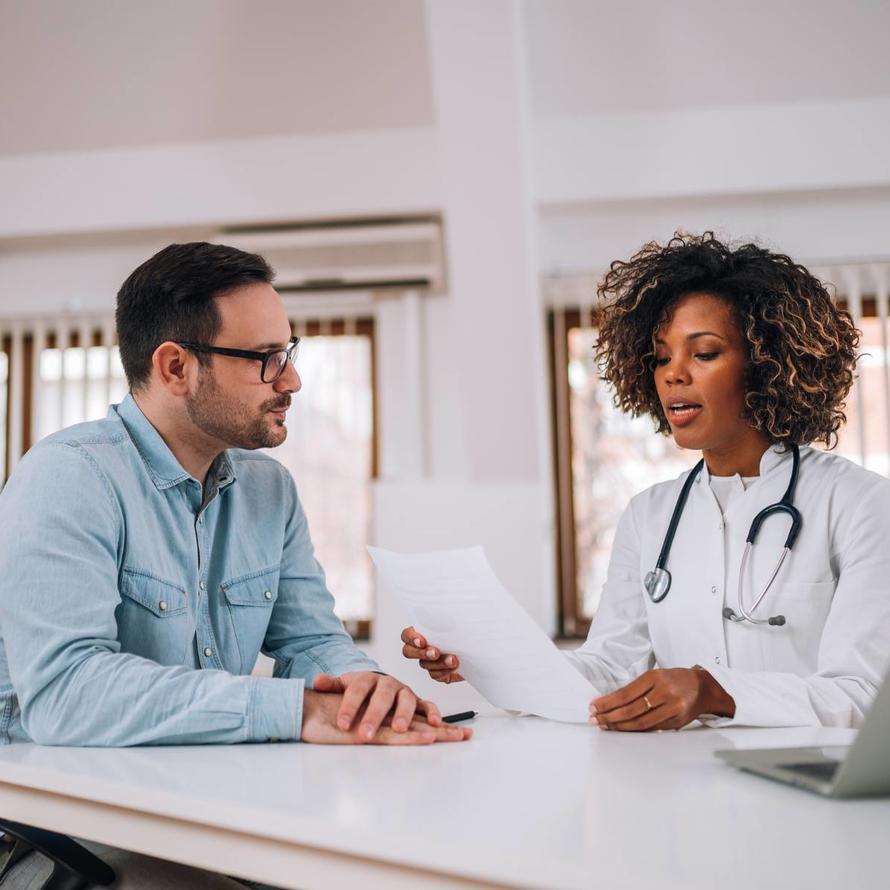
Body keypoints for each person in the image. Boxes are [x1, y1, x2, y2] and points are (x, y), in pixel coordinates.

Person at [0, 243, 468, 885]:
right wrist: (297, 710)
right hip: (71, 836)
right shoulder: (68, 478)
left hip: (210, 807)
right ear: (175, 367)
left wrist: (365, 692)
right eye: (265, 360)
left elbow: (311, 641)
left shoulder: (268, 490)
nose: (292, 381)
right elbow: (66, 695)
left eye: (290, 353)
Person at [401, 231, 890, 731]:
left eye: (703, 353)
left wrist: (714, 692)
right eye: (660, 357)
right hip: (686, 784)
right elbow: (609, 668)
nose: (672, 375)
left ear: (767, 365)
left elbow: (861, 694)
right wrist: (484, 658)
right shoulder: (650, 515)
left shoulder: (858, 504)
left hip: (811, 791)